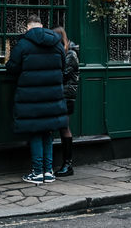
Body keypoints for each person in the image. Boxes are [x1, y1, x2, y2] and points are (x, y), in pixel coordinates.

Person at [6, 15, 68, 184]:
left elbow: (12, 67)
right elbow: (63, 66)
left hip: (31, 97)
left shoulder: (23, 44)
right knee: (48, 133)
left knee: (35, 132)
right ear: (41, 26)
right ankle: (48, 171)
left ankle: (36, 172)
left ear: (28, 28)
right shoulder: (56, 43)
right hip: (53, 96)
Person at [52, 26, 80, 177]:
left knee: (64, 127)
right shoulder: (63, 52)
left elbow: (62, 75)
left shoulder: (70, 54)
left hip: (65, 95)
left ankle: (68, 165)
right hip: (59, 94)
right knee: (59, 127)